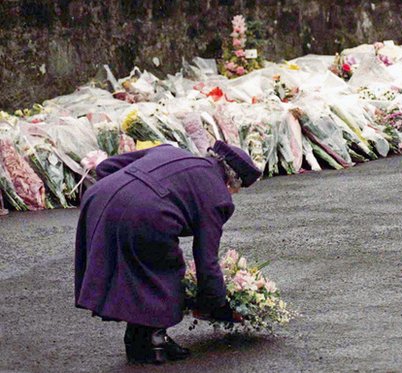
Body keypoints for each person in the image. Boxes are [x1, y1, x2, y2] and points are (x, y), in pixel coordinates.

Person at [75, 141, 262, 365]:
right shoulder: (217, 196)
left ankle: (139, 340)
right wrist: (215, 303)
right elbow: (206, 259)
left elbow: (106, 167)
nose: (233, 193)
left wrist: (124, 194)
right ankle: (154, 343)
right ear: (233, 180)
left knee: (137, 266)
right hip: (145, 212)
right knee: (166, 269)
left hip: (98, 198)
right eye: (236, 189)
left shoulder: (169, 150)